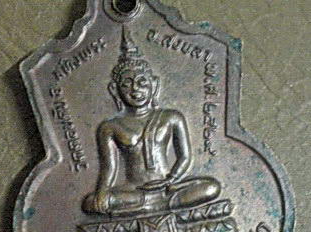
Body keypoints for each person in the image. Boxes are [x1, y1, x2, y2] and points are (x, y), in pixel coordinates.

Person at [82, 26, 220, 216]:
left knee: (211, 187)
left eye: (142, 82)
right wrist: (102, 193)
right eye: (127, 84)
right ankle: (157, 207)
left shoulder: (171, 117)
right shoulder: (110, 127)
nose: (135, 89)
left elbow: (185, 157)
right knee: (90, 203)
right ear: (115, 89)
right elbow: (109, 167)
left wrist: (170, 179)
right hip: (135, 193)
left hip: (167, 188)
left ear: (154, 85)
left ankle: (150, 208)